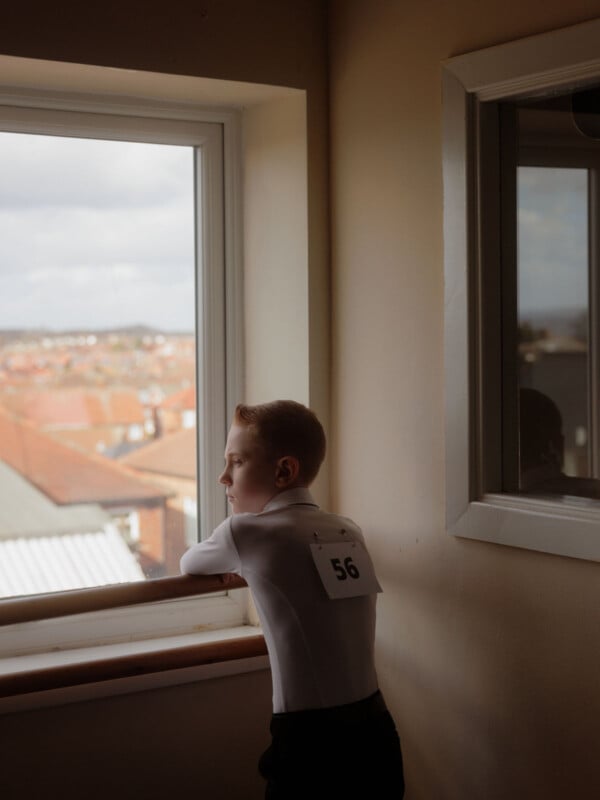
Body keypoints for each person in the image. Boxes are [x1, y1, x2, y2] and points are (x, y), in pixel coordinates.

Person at [180, 399, 405, 799]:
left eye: (236, 462)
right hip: (376, 726)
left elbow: (190, 562)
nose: (222, 478)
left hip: (310, 739)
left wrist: (241, 562)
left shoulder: (246, 533)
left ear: (284, 470)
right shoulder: (347, 529)